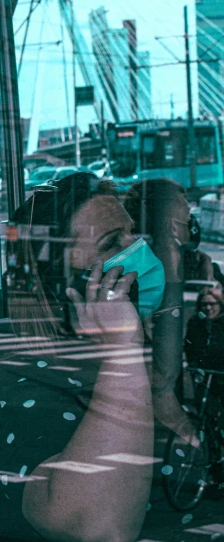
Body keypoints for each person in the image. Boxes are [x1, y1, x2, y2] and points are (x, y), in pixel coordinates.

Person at [0, 172, 154, 542]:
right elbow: (93, 525)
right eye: (111, 244)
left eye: (132, 233)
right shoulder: (27, 372)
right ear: (62, 278)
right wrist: (123, 350)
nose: (135, 248)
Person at [124, 179, 214, 443]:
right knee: (166, 367)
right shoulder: (158, 273)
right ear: (171, 223)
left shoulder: (186, 263)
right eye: (186, 213)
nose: (192, 221)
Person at [185, 288, 224, 417]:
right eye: (204, 304)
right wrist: (193, 364)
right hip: (203, 373)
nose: (208, 308)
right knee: (204, 408)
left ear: (220, 304)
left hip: (221, 371)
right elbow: (189, 347)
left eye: (212, 304)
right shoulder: (195, 322)